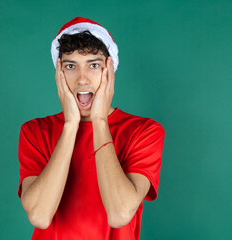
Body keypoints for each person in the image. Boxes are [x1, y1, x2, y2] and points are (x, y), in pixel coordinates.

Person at [17, 16, 165, 240]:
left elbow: (119, 213)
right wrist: (70, 125)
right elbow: (39, 216)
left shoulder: (144, 131)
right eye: (70, 66)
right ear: (59, 74)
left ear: (110, 70)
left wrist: (99, 121)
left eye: (93, 65)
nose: (82, 79)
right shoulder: (35, 131)